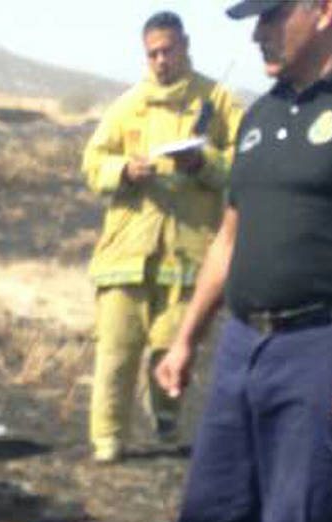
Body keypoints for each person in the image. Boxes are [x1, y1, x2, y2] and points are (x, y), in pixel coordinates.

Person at [124, 0, 332, 522]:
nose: (256, 30)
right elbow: (232, 233)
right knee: (217, 503)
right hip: (243, 341)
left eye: (270, 15)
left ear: (323, 10)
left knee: (302, 517)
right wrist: (187, 336)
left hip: (328, 337)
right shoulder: (261, 116)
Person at [81, 11, 243, 463]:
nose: (160, 60)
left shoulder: (219, 101)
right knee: (115, 351)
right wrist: (123, 171)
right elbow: (92, 163)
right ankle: (107, 439)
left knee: (169, 347)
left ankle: (166, 421)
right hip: (126, 251)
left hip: (188, 253)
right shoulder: (127, 106)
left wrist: (206, 165)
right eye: (152, 53)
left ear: (185, 46)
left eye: (168, 50)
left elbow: (249, 162)